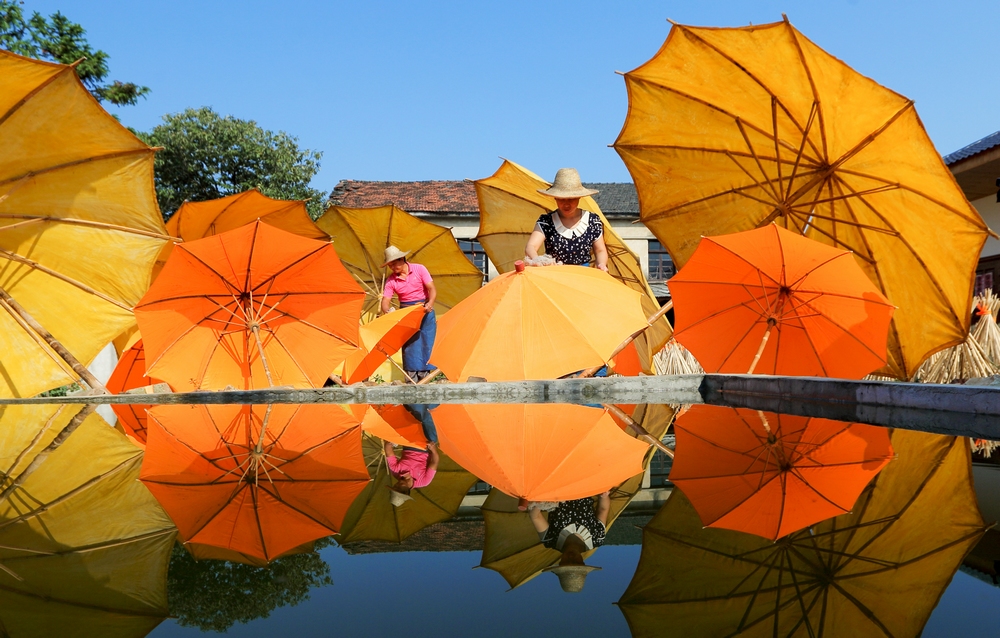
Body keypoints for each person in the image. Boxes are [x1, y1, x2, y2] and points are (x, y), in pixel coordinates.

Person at [525, 168, 608, 271]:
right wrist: (537, 260)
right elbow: (531, 246)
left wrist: (602, 264)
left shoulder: (593, 221)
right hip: (554, 276)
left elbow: (600, 250)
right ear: (555, 197)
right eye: (561, 199)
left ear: (579, 197)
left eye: (571, 199)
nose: (566, 204)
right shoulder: (546, 221)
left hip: (584, 277)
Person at [526, 492, 610, 593]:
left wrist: (540, 503)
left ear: (560, 562)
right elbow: (603, 509)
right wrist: (604, 496)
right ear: (582, 562)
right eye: (576, 562)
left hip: (556, 487)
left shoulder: (550, 540)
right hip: (586, 485)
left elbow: (535, 516)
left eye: (566, 562)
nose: (571, 557)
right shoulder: (597, 538)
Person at [380, 245, 437, 382]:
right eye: (390, 266)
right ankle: (411, 380)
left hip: (424, 311)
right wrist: (387, 311)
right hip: (406, 314)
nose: (393, 268)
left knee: (426, 345)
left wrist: (430, 304)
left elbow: (432, 289)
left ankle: (427, 379)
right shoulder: (391, 280)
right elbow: (385, 301)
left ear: (402, 259)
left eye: (394, 264)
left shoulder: (419, 269)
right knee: (410, 347)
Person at [384, 438, 439, 507]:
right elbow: (434, 462)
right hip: (426, 446)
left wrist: (390, 442)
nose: (397, 484)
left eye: (395, 486)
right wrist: (434, 450)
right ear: (406, 492)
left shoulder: (395, 471)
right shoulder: (424, 481)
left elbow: (388, 450)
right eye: (399, 487)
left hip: (408, 443)